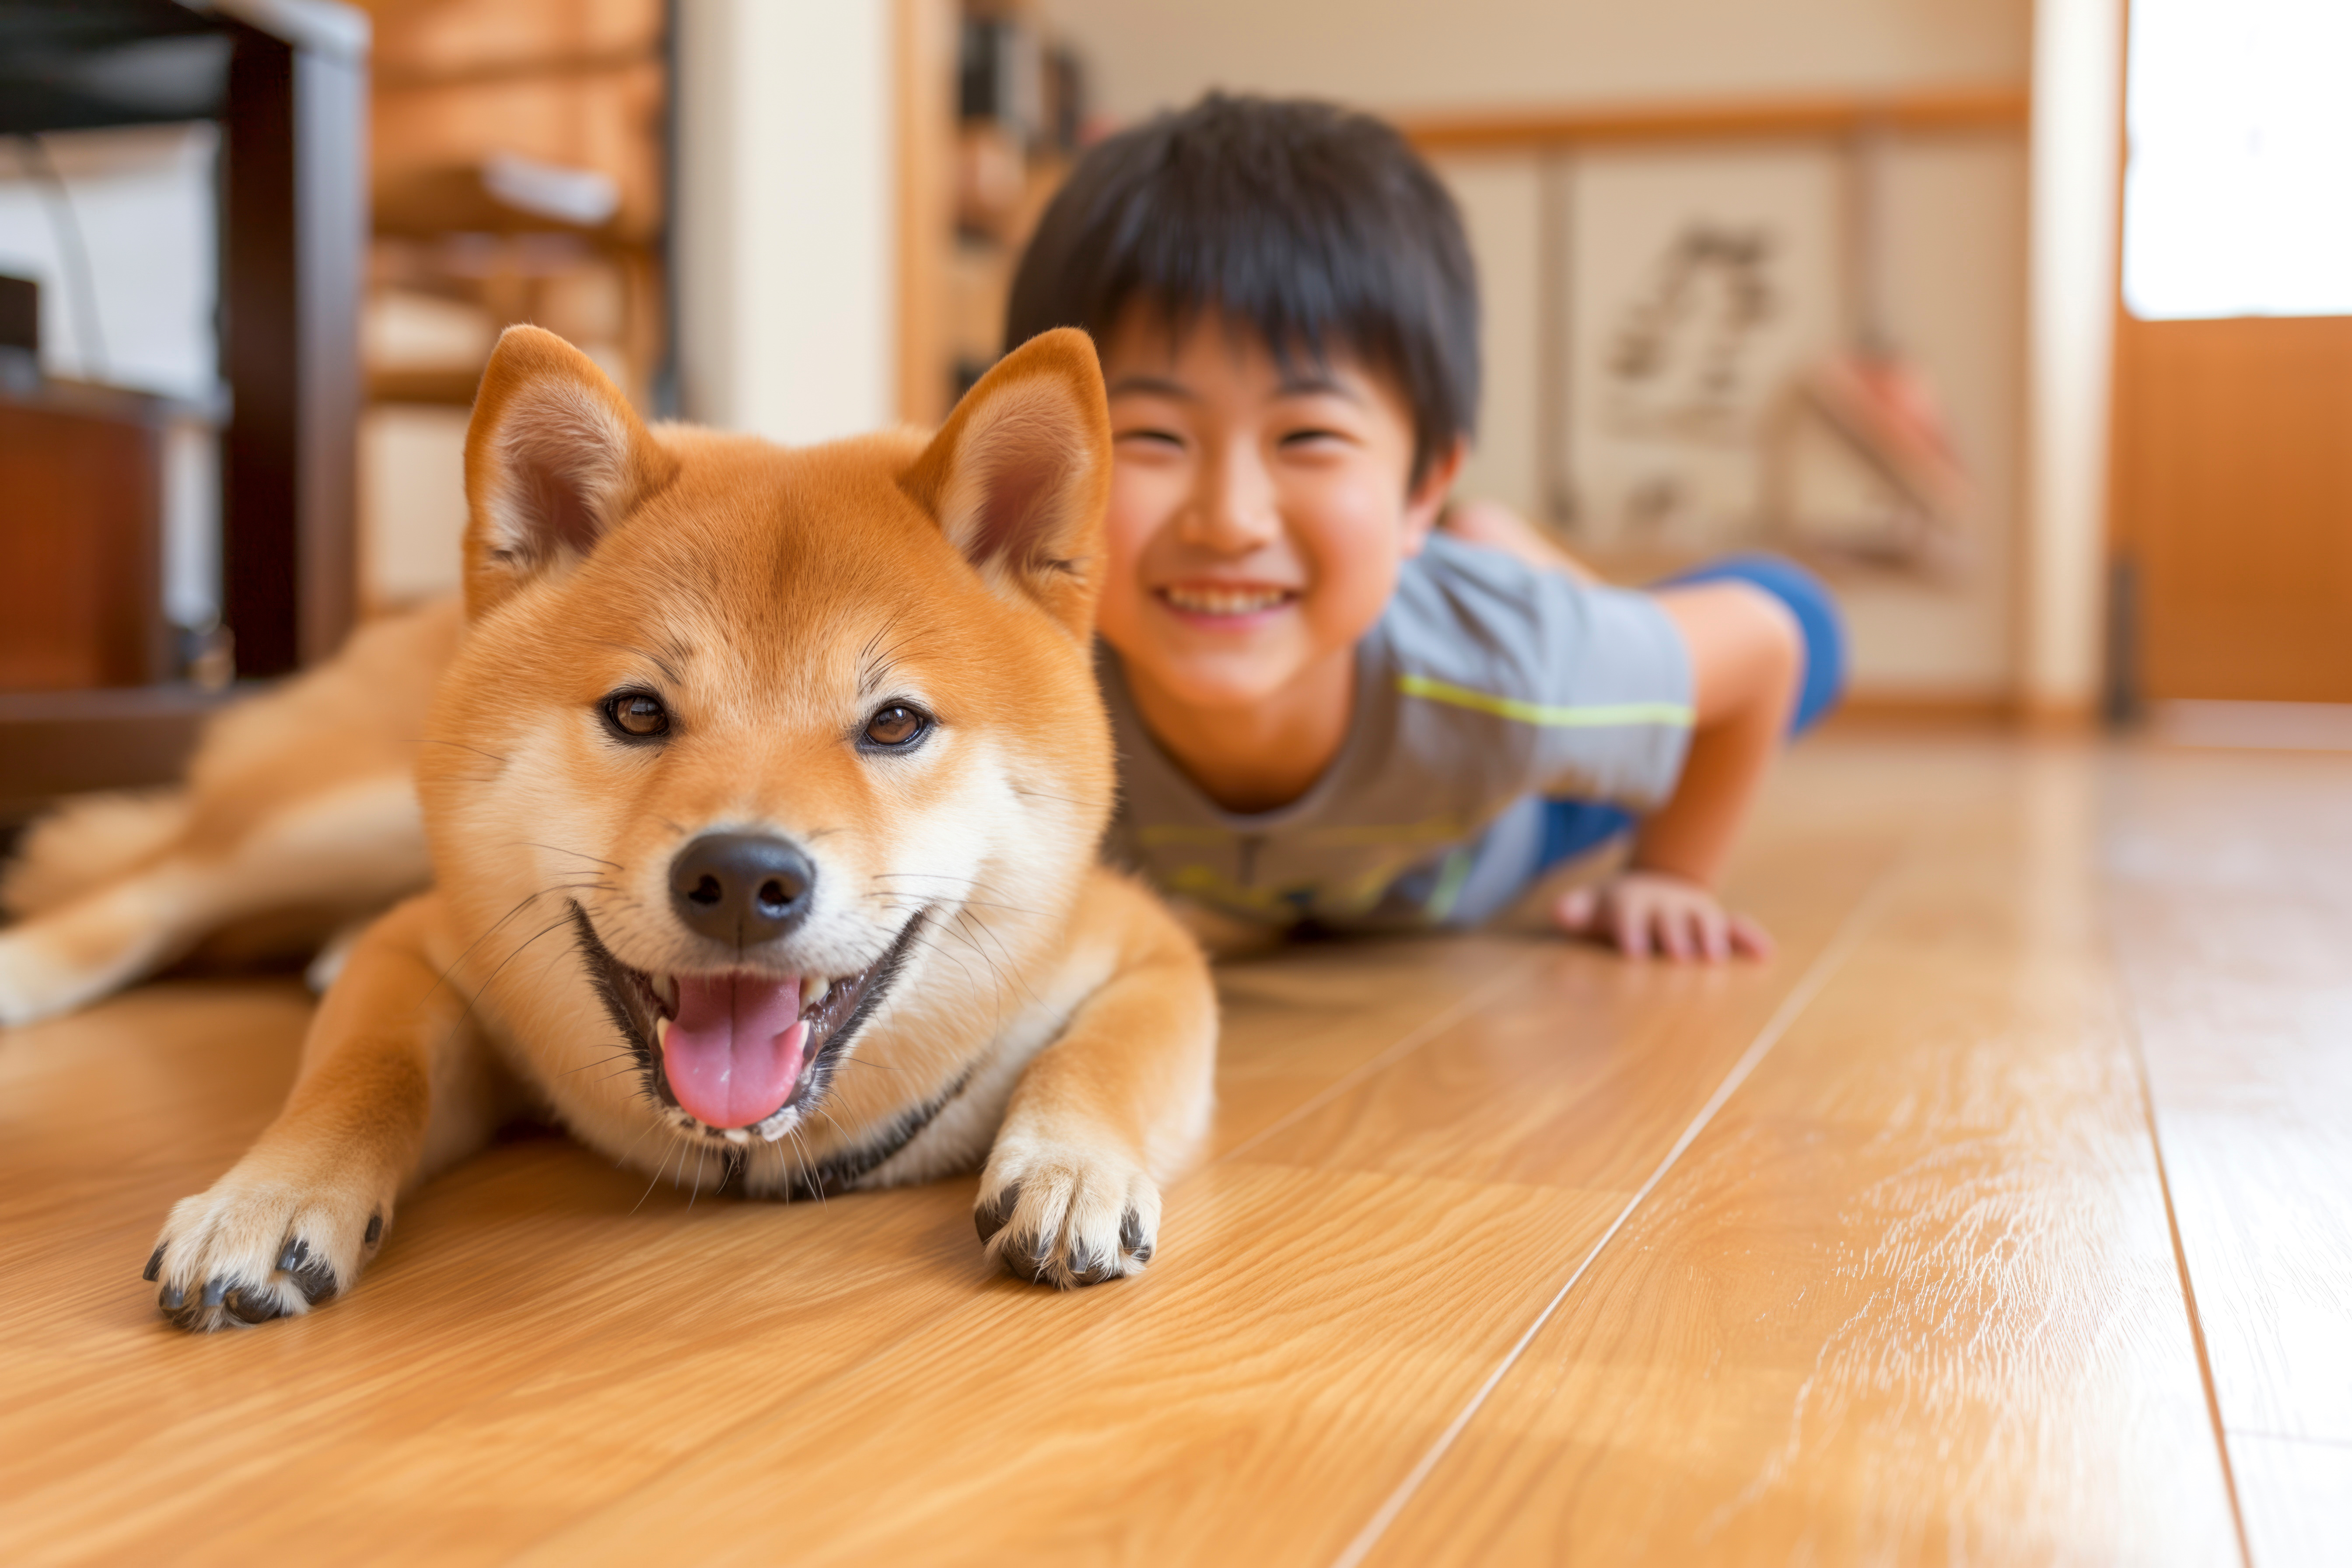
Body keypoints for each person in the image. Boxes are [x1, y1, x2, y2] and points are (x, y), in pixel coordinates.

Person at [1003, 94, 1845, 962]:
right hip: (1318, 879)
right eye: (1154, 438)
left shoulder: (1512, 669)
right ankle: (1491, 543)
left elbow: (1767, 644)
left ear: (1420, 491)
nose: (1230, 519)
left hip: (1507, 820)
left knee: (1808, 615)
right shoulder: (1020, 695)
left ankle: (1523, 569)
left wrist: (1671, 874)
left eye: (1309, 438)